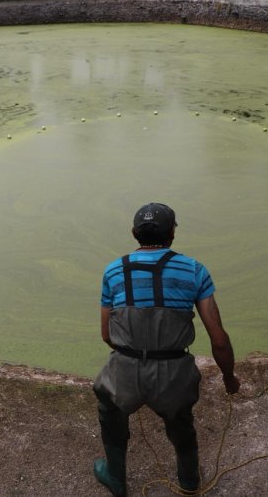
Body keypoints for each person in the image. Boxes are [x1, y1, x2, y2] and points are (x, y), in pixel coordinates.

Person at [93, 203, 240, 496]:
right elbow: (218, 338)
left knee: (109, 410)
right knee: (181, 421)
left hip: (125, 370)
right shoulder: (194, 270)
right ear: (172, 233)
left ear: (134, 233)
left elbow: (107, 335)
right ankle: (188, 481)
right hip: (174, 373)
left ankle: (116, 478)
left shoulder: (113, 270)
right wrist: (228, 378)